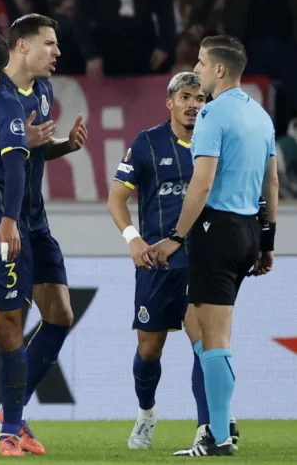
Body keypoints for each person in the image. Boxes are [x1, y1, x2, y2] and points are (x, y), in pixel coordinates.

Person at [146, 35, 278, 456]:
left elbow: (201, 184)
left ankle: (218, 435)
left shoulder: (211, 114)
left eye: (201, 63)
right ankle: (223, 418)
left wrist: (175, 237)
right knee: (194, 321)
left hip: (215, 230)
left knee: (216, 335)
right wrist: (267, 241)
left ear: (220, 70)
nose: (197, 70)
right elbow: (272, 182)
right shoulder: (261, 115)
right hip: (248, 230)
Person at [0, 14, 89, 451]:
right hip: (1, 221)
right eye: (49, 43)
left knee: (61, 316)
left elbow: (30, 153)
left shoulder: (44, 91)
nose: (57, 52)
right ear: (21, 45)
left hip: (36, 219)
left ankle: (11, 413)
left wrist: (63, 146)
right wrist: (24, 142)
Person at [107, 72, 208, 450]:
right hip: (157, 263)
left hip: (202, 260)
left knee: (205, 345)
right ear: (170, 103)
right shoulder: (146, 143)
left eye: (199, 98)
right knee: (149, 350)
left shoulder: (214, 143)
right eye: (185, 97)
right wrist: (133, 240)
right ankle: (146, 413)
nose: (193, 104)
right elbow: (116, 199)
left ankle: (208, 427)